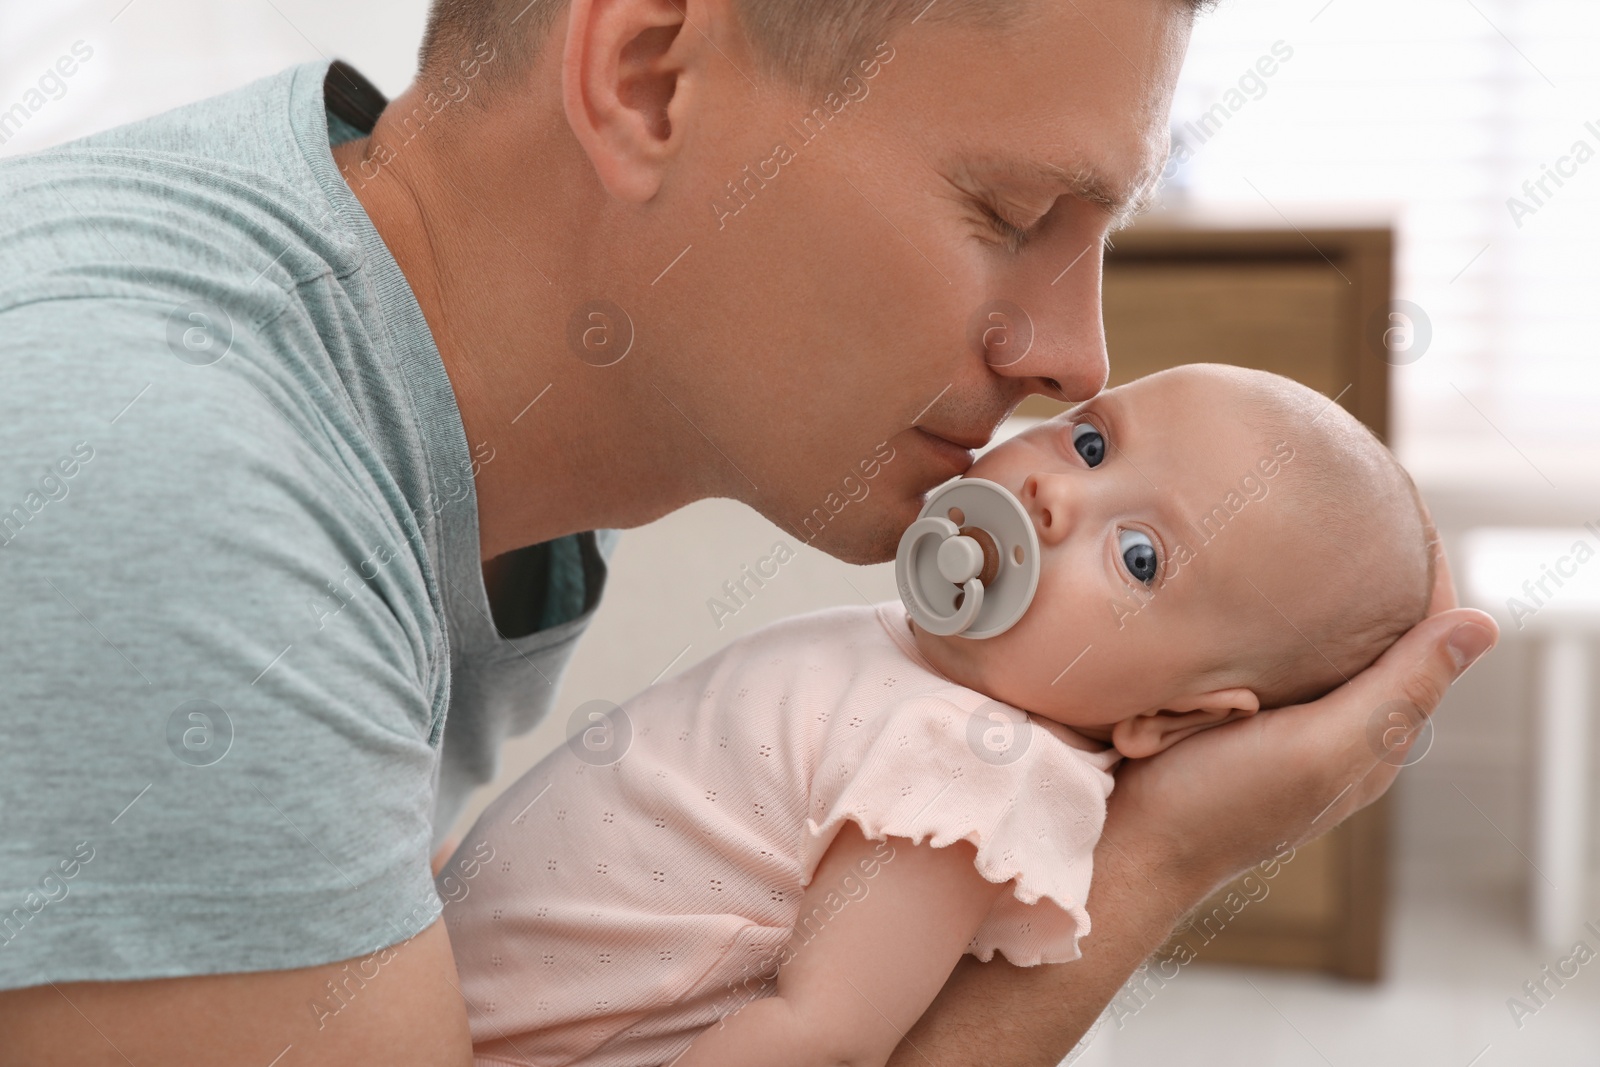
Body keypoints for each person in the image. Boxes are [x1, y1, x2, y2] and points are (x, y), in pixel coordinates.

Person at [0, 0, 1495, 1064]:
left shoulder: (412, 414)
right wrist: (1159, 865)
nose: (1078, 359)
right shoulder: (178, 491)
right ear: (651, 78)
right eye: (1012, 210)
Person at [441, 364, 1437, 1067]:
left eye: (1139, 556)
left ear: (1169, 718)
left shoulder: (978, 762)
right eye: (1091, 441)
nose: (1051, 493)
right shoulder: (925, 675)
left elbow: (826, 1034)